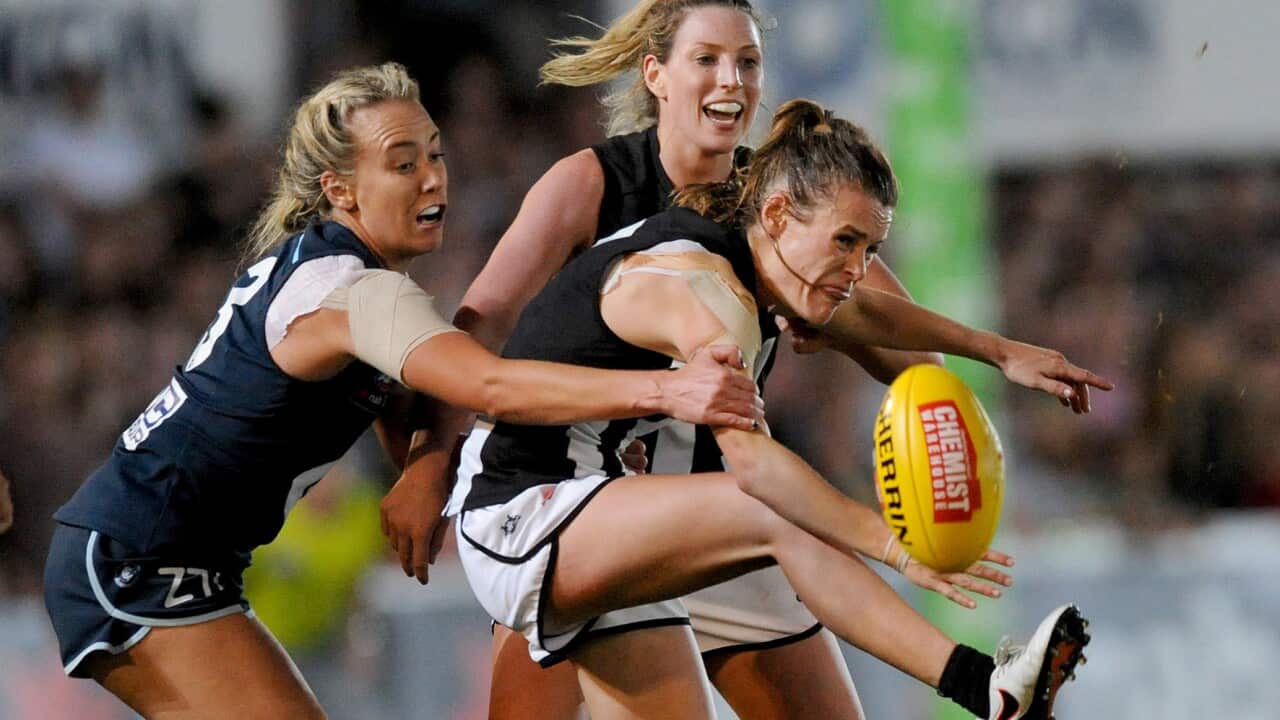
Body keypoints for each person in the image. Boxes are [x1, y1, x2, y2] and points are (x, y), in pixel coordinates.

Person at [381, 2, 1106, 718]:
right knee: (775, 509)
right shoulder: (646, 223)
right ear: (656, 74)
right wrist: (426, 461)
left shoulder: (768, 212)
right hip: (554, 503)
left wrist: (996, 350)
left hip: (695, 512)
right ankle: (987, 690)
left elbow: (871, 315)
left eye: (749, 61)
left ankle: (991, 692)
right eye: (708, 59)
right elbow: (480, 333)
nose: (731, 79)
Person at [39, 62, 764, 720]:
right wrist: (667, 395)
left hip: (161, 558)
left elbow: (418, 405)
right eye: (402, 163)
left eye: (436, 155)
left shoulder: (336, 275)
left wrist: (426, 465)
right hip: (135, 559)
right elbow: (490, 383)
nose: (432, 179)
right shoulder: (354, 293)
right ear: (340, 189)